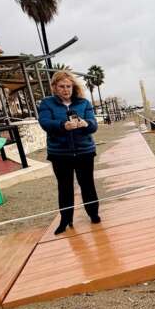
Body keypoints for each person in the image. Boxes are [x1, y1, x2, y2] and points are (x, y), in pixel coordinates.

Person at [38, 71, 101, 234]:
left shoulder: (83, 103)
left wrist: (85, 123)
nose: (66, 90)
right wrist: (62, 125)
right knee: (64, 188)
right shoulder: (46, 103)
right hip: (59, 154)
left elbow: (94, 125)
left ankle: (94, 214)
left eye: (68, 86)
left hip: (84, 151)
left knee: (87, 184)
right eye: (62, 86)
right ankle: (66, 220)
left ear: (73, 87)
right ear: (54, 87)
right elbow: (44, 123)